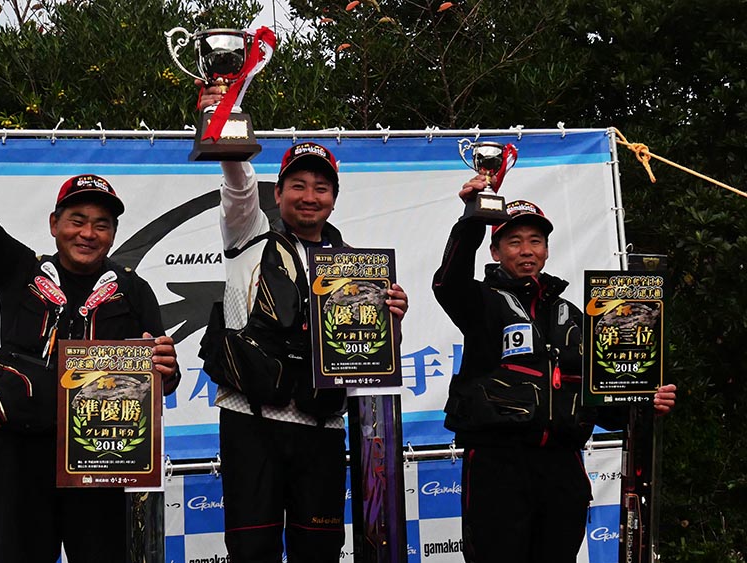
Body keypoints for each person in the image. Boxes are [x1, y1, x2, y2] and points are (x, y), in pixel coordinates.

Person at [0, 97, 180, 563]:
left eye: (101, 225)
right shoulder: (20, 272)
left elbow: (163, 380)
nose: (88, 233)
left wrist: (165, 369)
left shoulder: (134, 291)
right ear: (54, 224)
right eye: (77, 221)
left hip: (102, 463)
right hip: (18, 461)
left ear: (113, 234)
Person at [197, 86, 409, 563]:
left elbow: (369, 361)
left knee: (320, 551)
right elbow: (237, 183)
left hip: (323, 426)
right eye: (298, 185)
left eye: (321, 187)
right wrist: (222, 113)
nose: (309, 197)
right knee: (253, 550)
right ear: (277, 193)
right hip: (250, 422)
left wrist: (392, 320)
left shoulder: (356, 268)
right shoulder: (249, 235)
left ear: (334, 198)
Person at [432, 175, 678, 563]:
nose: (526, 250)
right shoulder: (479, 302)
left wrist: (647, 401)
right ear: (495, 251)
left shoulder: (575, 315)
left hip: (564, 466)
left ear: (546, 250)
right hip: (498, 465)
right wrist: (473, 216)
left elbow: (607, 404)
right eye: (514, 241)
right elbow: (448, 281)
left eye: (535, 241)